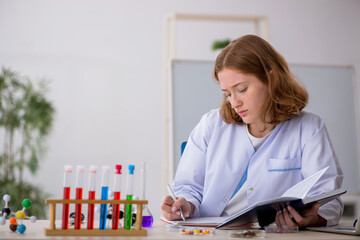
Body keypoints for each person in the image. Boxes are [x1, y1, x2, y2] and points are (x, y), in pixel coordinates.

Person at [160, 34, 344, 228]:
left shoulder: (308, 128)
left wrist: (312, 218)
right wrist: (184, 205)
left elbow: (328, 198)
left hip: (273, 234)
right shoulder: (211, 124)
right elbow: (188, 187)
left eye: (242, 89)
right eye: (228, 94)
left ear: (270, 76)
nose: (234, 102)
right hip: (211, 233)